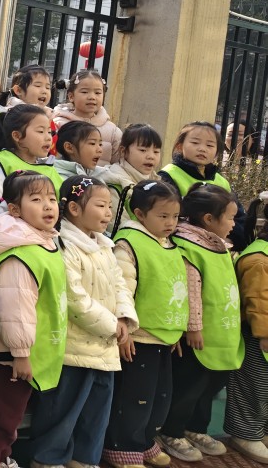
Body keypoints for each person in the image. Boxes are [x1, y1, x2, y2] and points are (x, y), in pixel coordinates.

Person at [29, 176, 138, 468]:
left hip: (105, 345)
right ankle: (48, 458)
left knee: (96, 409)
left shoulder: (104, 245)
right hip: (73, 347)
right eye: (101, 205)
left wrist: (124, 316)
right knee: (64, 408)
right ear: (74, 209)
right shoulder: (63, 244)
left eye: (110, 206)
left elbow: (119, 284)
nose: (108, 213)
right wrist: (111, 325)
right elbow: (74, 298)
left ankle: (84, 458)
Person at [0, 171, 67, 468]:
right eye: (36, 200)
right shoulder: (19, 254)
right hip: (11, 354)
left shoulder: (42, 243)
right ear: (14, 209)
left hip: (23, 352)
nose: (48, 206)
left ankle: (1, 459)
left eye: (51, 198)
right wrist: (21, 354)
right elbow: (14, 309)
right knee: (0, 419)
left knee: (9, 417)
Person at [104, 181, 186, 468]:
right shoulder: (129, 244)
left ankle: (145, 440)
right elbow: (121, 290)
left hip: (162, 336)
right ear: (139, 214)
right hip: (139, 337)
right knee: (135, 397)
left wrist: (175, 330)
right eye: (163, 216)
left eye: (175, 216)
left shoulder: (167, 243)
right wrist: (124, 329)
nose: (170, 223)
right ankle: (122, 447)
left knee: (159, 397)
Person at [159, 184, 243, 462]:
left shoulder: (219, 246)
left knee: (210, 385)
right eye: (230, 217)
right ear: (208, 219)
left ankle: (196, 428)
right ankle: (172, 431)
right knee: (190, 386)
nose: (234, 224)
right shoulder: (189, 248)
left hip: (219, 333)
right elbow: (191, 291)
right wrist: (193, 327)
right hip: (198, 336)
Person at [225, 196, 268, 462]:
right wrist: (264, 333)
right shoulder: (259, 258)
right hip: (258, 338)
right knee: (255, 387)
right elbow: (259, 300)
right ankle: (245, 432)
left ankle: (262, 430)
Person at [158, 121, 247, 249]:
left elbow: (239, 218)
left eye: (209, 145)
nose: (202, 149)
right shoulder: (168, 175)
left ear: (217, 151)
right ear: (179, 146)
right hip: (184, 246)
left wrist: (230, 241)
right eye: (195, 143)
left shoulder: (222, 181)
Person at [0, 104, 62, 234]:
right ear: (17, 136)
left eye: (49, 132)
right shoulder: (1, 164)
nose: (48, 138)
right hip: (12, 238)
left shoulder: (50, 168)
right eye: (40, 131)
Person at [52, 70, 121, 166]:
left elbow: (119, 163)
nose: (92, 97)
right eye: (85, 92)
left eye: (97, 93)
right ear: (71, 96)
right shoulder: (58, 124)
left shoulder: (113, 131)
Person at [103, 124, 163, 232]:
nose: (151, 156)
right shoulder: (114, 184)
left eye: (156, 152)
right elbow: (118, 227)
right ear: (123, 151)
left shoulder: (157, 183)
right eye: (143, 150)